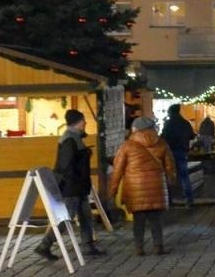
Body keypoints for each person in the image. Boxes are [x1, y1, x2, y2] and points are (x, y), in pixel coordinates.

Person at [37, 109, 102, 260]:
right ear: (78, 122)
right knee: (66, 218)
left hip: (78, 186)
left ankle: (88, 245)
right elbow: (66, 165)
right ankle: (45, 245)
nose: (85, 123)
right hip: (72, 186)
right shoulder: (69, 139)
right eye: (83, 120)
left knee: (85, 216)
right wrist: (83, 160)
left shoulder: (74, 137)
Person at [110, 116, 177, 256]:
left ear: (135, 129)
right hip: (157, 186)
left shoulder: (127, 145)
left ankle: (139, 248)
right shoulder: (162, 143)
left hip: (136, 188)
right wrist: (171, 180)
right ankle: (158, 246)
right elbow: (170, 166)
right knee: (155, 219)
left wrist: (113, 190)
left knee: (138, 220)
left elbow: (118, 169)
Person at [160, 105, 197, 210]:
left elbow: (163, 137)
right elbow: (191, 136)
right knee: (185, 176)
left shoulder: (169, 123)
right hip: (182, 152)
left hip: (170, 152)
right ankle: (189, 200)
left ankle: (169, 200)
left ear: (170, 112)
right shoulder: (185, 123)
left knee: (169, 175)